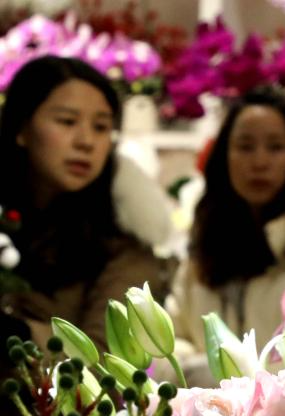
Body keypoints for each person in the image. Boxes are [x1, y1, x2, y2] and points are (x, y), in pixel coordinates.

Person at [168, 88, 285, 375]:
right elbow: (169, 342)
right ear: (223, 156)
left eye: (276, 147)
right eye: (245, 146)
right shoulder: (207, 240)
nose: (259, 162)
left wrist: (233, 376)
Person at [0, 56, 165, 349]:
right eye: (67, 121)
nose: (86, 141)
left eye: (101, 127)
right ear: (20, 129)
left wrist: (19, 334)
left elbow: (107, 362)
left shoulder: (124, 242)